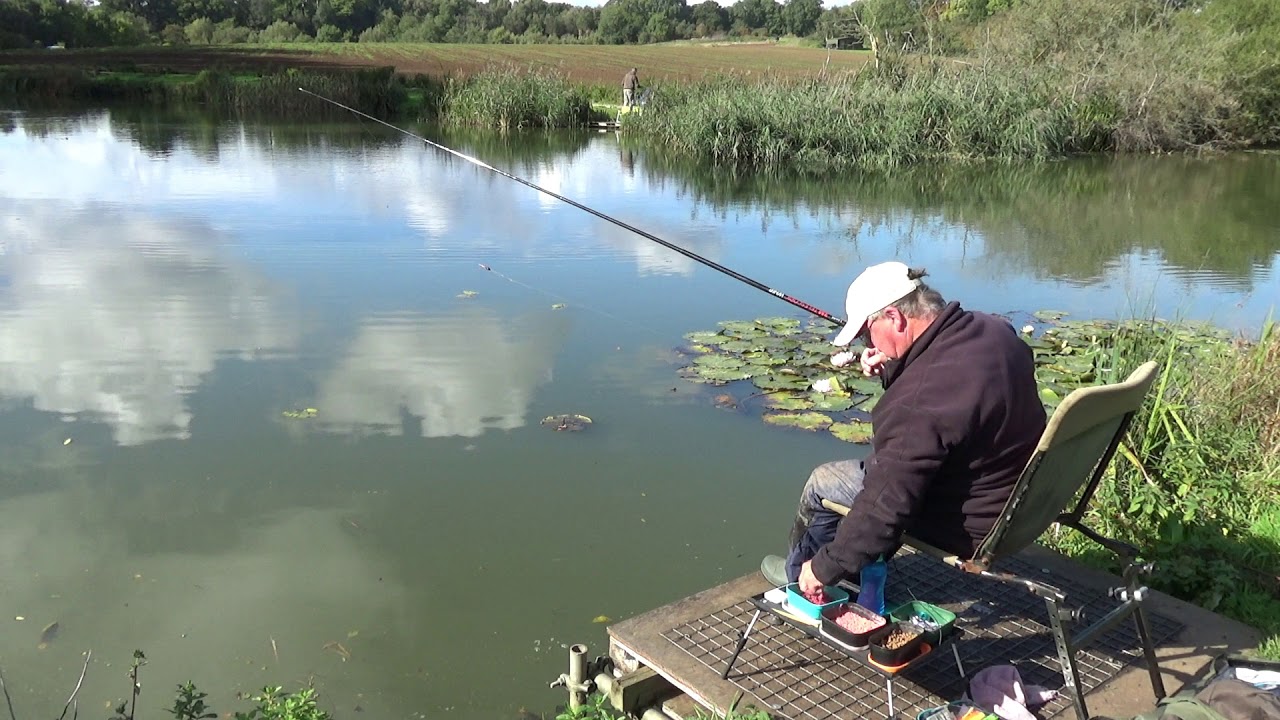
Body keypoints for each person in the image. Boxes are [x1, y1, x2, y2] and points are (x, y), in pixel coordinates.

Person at [759, 261, 1046, 595]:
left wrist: (824, 568)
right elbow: (951, 387)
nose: (868, 341)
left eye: (868, 332)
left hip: (968, 523)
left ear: (894, 317)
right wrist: (895, 366)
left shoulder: (917, 403)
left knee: (825, 482)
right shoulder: (994, 332)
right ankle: (847, 564)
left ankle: (802, 578)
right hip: (1020, 502)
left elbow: (886, 508)